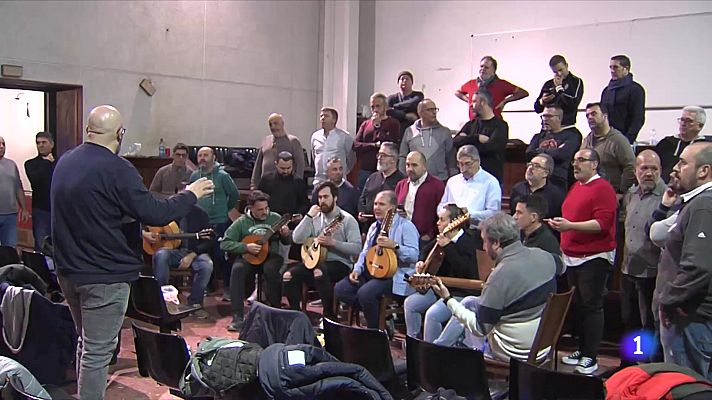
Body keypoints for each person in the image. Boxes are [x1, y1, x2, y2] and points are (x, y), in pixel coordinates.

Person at [51, 105, 214, 399]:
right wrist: (192, 194)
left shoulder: (66, 161)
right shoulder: (116, 168)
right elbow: (154, 211)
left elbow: (94, 213)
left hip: (69, 271)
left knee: (87, 344)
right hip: (103, 276)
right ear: (119, 133)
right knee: (98, 353)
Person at [432, 213, 560, 363]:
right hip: (542, 342)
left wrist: (448, 299)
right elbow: (562, 266)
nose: (484, 248)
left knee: (470, 329)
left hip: (514, 351)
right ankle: (437, 349)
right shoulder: (544, 255)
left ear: (496, 243)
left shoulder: (500, 276)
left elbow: (480, 328)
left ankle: (441, 358)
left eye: (484, 242)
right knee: (469, 302)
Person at [548, 148, 618, 375]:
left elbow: (602, 224)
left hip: (594, 257)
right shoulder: (576, 186)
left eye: (582, 160)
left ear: (595, 164)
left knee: (591, 306)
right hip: (572, 256)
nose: (575, 165)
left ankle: (591, 355)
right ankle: (581, 348)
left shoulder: (603, 188)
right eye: (574, 160)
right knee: (577, 305)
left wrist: (569, 226)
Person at [658, 142, 712, 379]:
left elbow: (698, 265)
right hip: (692, 316)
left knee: (686, 385)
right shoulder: (695, 203)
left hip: (691, 319)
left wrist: (668, 300)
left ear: (704, 171)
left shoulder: (703, 205)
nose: (675, 168)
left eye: (683, 162)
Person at [334, 190, 419, 329]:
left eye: (381, 204)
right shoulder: (374, 226)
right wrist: (357, 269)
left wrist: (395, 246)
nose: (376, 208)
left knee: (365, 294)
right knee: (341, 289)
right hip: (372, 269)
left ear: (392, 208)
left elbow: (414, 255)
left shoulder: (406, 226)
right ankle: (383, 318)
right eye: (375, 204)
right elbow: (365, 251)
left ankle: (375, 331)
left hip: (394, 275)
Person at [284, 182, 361, 320]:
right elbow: (296, 238)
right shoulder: (314, 218)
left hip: (340, 263)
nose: (322, 201)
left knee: (319, 272)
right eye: (319, 197)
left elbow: (356, 248)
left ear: (335, 198)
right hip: (315, 262)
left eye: (326, 197)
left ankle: (329, 316)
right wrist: (308, 216)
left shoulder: (347, 219)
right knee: (288, 276)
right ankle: (296, 316)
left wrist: (334, 243)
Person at [404, 205, 479, 342]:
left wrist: (448, 247)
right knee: (411, 303)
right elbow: (425, 250)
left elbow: (466, 270)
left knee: (433, 314)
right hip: (439, 289)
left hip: (460, 292)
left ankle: (430, 352)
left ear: (454, 223)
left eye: (442, 220)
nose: (438, 223)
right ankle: (412, 342)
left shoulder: (469, 241)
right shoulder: (441, 238)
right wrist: (421, 262)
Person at [220, 190, 292, 332]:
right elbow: (224, 243)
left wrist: (285, 234)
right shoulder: (242, 222)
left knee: (271, 270)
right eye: (260, 209)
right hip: (249, 257)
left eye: (266, 208)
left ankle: (275, 313)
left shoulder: (275, 218)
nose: (264, 212)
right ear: (250, 208)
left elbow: (287, 241)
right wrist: (245, 247)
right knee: (237, 269)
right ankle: (238, 317)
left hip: (271, 256)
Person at [620, 150, 665, 349]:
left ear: (661, 171)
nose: (648, 173)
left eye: (653, 169)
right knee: (628, 320)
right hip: (627, 269)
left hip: (652, 272)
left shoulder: (668, 198)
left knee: (649, 323)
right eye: (644, 168)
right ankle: (628, 365)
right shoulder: (631, 195)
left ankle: (647, 367)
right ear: (636, 171)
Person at [189, 146, 239, 301]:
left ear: (214, 157)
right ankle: (208, 287)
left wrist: (225, 210)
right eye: (199, 155)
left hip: (220, 222)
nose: (202, 158)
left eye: (206, 155)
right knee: (203, 254)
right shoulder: (194, 175)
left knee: (220, 255)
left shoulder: (223, 176)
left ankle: (228, 287)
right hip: (200, 223)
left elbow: (234, 195)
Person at [148, 205, 213, 319]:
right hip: (173, 251)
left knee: (206, 264)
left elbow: (209, 241)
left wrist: (192, 255)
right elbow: (147, 223)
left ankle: (195, 303)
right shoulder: (168, 210)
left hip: (194, 252)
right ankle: (162, 302)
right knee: (160, 255)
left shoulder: (201, 214)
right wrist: (146, 234)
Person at [453, 90, 509, 183]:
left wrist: (467, 140)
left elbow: (492, 148)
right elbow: (456, 141)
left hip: (490, 179)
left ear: (483, 103)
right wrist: (476, 138)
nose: (471, 105)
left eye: (474, 101)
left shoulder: (500, 126)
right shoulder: (471, 124)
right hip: (469, 179)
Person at [581, 103, 636, 196]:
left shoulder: (618, 140)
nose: (589, 117)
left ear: (605, 116)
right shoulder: (587, 140)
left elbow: (631, 167)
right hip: (589, 192)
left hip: (611, 194)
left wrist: (621, 192)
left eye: (594, 114)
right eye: (587, 115)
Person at [438, 145, 500, 225]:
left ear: (478, 161)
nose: (463, 169)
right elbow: (441, 206)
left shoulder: (491, 182)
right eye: (460, 164)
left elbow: (493, 214)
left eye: (468, 164)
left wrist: (469, 214)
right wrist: (445, 213)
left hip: (476, 230)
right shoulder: (452, 181)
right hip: (452, 229)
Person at [526, 105, 582, 190]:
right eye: (543, 116)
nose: (545, 119)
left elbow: (562, 154)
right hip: (536, 180)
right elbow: (529, 153)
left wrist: (539, 151)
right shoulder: (538, 136)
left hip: (558, 181)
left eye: (549, 116)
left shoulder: (572, 136)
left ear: (559, 118)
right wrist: (553, 152)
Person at [455, 55, 529, 120]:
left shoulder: (501, 84)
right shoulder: (471, 83)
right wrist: (469, 100)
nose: (482, 69)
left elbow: (523, 93)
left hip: (494, 126)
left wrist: (505, 101)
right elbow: (457, 92)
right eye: (481, 66)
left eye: (486, 67)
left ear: (493, 70)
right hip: (474, 124)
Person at [398, 99, 455, 181]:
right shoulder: (409, 131)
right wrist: (404, 177)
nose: (434, 112)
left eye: (435, 109)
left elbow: (451, 158)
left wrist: (453, 179)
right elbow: (403, 156)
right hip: (415, 180)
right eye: (430, 110)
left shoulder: (445, 132)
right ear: (420, 112)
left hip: (440, 180)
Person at [354, 92, 401, 189]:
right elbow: (356, 145)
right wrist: (374, 145)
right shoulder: (366, 124)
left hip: (385, 169)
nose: (375, 110)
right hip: (365, 169)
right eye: (372, 107)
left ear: (385, 107)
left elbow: (390, 145)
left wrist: (377, 126)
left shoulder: (393, 123)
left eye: (378, 106)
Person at [395, 151, 445, 242]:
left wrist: (430, 235)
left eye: (414, 165)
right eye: (407, 165)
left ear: (424, 166)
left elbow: (442, 215)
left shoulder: (437, 186)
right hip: (401, 236)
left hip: (423, 239)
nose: (410, 169)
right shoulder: (401, 185)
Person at [250, 113, 305, 190]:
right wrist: (254, 185)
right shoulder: (266, 140)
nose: (273, 127)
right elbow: (258, 164)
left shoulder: (293, 141)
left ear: (282, 124)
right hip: (265, 186)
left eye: (275, 123)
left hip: (285, 186)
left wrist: (296, 185)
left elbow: (300, 165)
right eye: (270, 124)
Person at [654, 106, 709, 183]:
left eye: (689, 121)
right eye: (682, 120)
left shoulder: (705, 146)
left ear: (700, 126)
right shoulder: (666, 143)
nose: (683, 124)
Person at [600, 55, 646, 144]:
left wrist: (628, 140)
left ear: (626, 69)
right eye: (611, 67)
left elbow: (638, 118)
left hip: (625, 139)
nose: (612, 70)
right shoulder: (606, 91)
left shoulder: (635, 89)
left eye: (616, 67)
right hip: (606, 139)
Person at [358, 142, 404, 223]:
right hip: (369, 226)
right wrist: (361, 212)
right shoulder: (373, 177)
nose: (379, 158)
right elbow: (362, 199)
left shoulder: (402, 181)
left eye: (383, 155)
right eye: (378, 155)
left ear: (393, 159)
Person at [509, 153, 564, 220]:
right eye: (530, 164)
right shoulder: (518, 189)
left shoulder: (556, 195)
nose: (530, 168)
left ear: (546, 173)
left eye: (536, 166)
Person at [24, 132, 55, 250]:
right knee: (42, 244)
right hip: (40, 210)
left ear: (51, 144)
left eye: (44, 142)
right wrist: (47, 162)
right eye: (38, 143)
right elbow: (35, 180)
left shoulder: (59, 162)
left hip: (57, 209)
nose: (40, 145)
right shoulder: (31, 164)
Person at [534, 55, 584, 126]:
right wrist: (542, 101)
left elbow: (573, 104)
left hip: (566, 126)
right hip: (547, 127)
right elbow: (537, 109)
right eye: (555, 72)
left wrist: (559, 88)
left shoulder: (576, 81)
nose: (559, 74)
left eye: (561, 70)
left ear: (566, 66)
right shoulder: (548, 84)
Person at [311, 107, 355, 187]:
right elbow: (314, 155)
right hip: (319, 181)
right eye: (321, 116)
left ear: (334, 120)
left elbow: (351, 158)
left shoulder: (344, 137)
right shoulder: (315, 136)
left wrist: (343, 171)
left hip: (337, 182)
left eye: (326, 116)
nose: (322, 118)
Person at [257, 151, 309, 218]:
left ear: (293, 165)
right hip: (269, 220)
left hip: (291, 222)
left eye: (288, 168)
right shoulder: (266, 179)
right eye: (282, 168)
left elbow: (304, 203)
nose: (286, 171)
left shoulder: (299, 182)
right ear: (276, 164)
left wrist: (300, 214)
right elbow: (258, 199)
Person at [0, 136, 25, 247]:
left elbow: (18, 187)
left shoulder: (11, 164)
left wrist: (24, 209)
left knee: (10, 249)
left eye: (3, 144)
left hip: (10, 214)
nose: (1, 147)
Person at [387, 70, 424, 135]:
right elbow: (388, 111)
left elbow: (412, 104)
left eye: (407, 79)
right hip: (397, 131)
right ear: (398, 83)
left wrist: (395, 108)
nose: (404, 81)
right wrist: (405, 115)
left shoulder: (418, 95)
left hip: (415, 131)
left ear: (412, 82)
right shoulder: (391, 98)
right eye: (402, 79)